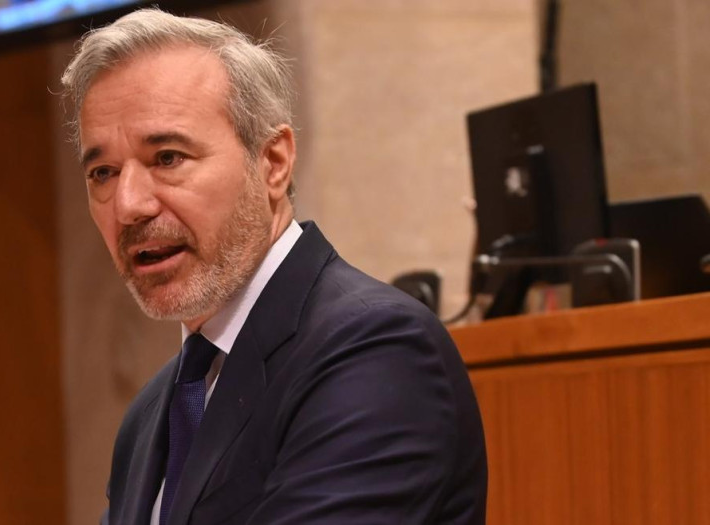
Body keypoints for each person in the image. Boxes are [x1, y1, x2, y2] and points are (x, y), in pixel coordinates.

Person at [60, 8, 487, 525]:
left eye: (168, 157)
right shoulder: (152, 414)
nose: (128, 205)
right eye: (103, 172)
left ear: (273, 161)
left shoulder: (376, 351)